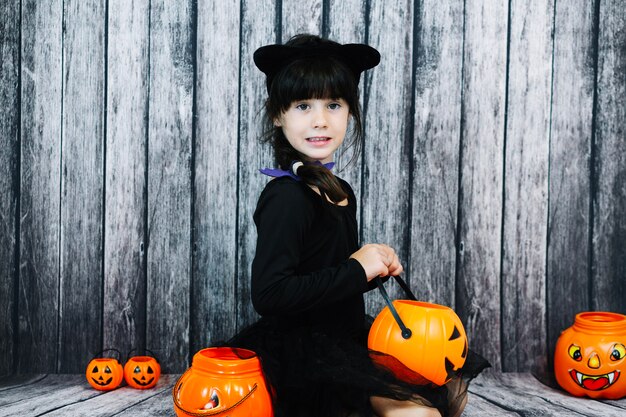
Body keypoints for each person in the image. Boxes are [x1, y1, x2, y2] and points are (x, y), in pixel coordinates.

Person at [227, 34, 487, 417]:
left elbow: (325, 276)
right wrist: (355, 268)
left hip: (348, 341)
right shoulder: (286, 196)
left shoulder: (339, 190)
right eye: (303, 105)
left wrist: (373, 270)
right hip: (305, 353)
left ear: (350, 111)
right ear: (278, 115)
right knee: (413, 413)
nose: (320, 120)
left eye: (334, 104)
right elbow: (271, 294)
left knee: (429, 402)